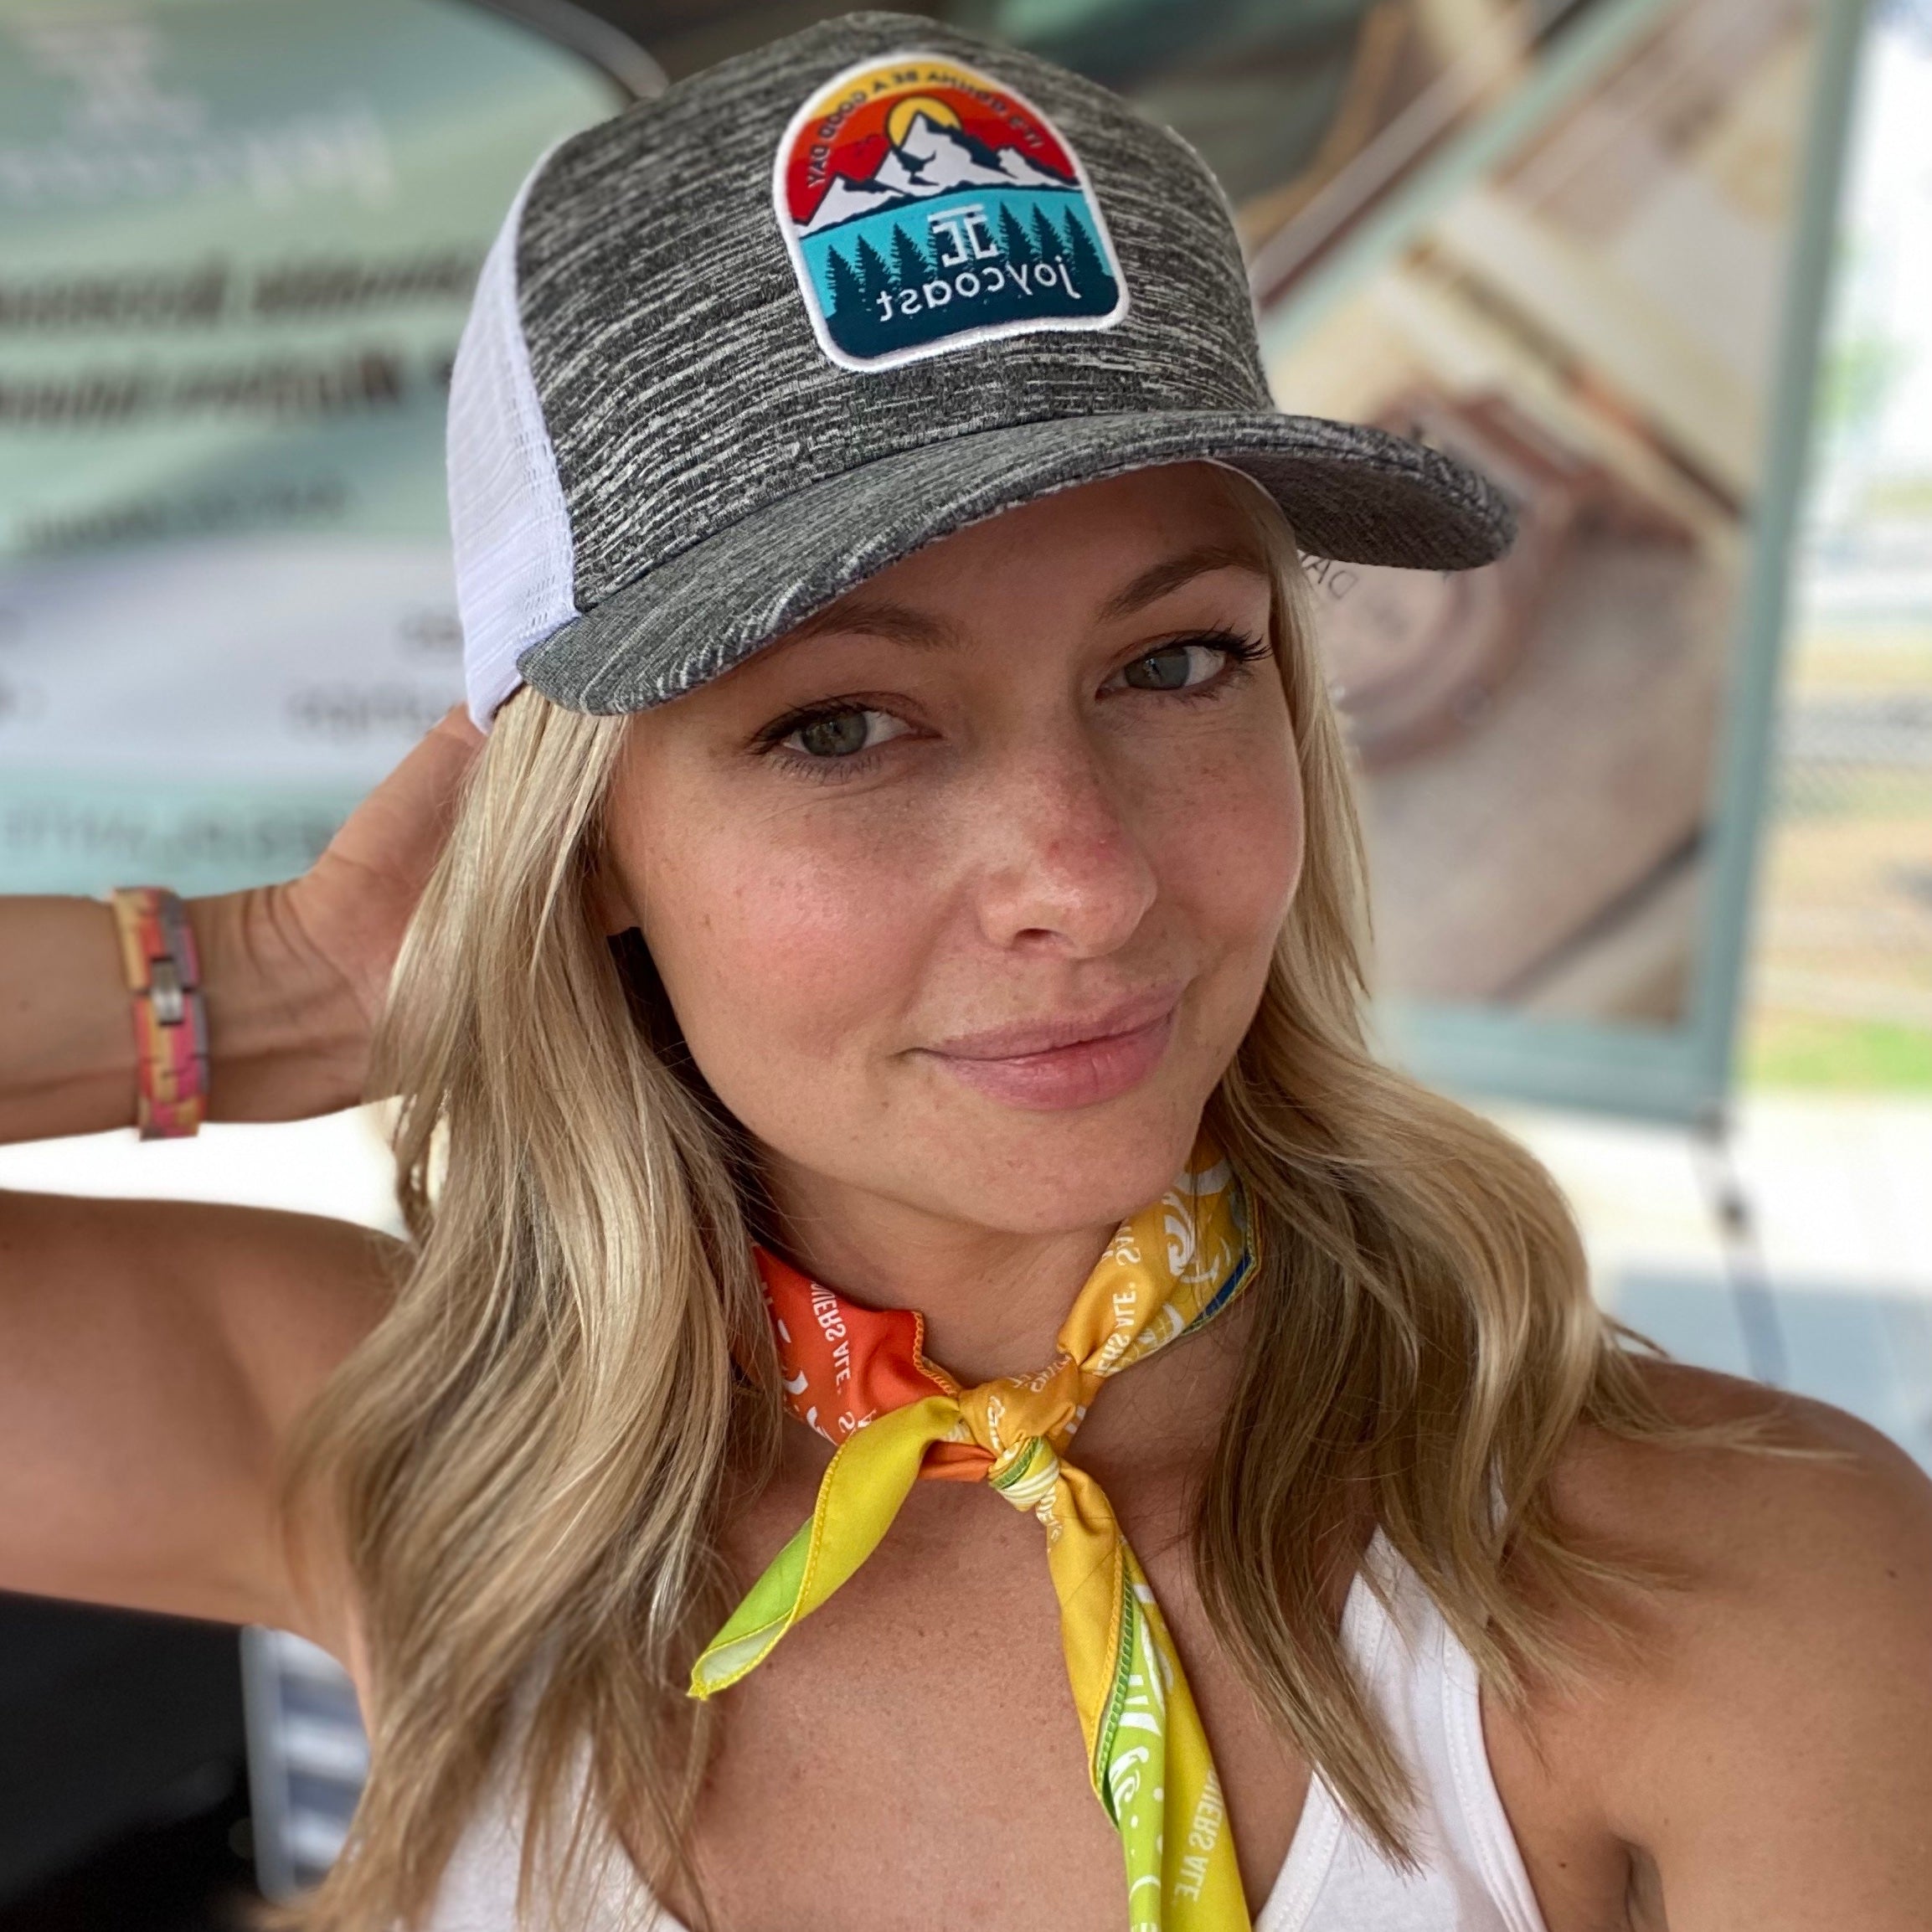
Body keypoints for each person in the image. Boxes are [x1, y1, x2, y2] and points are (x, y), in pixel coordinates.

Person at [3, 14, 1929, 1932]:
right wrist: (261, 978)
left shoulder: (1737, 1585)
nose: (1083, 884)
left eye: (1174, 661)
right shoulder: (430, 1471)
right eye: (842, 724)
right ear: (586, 839)